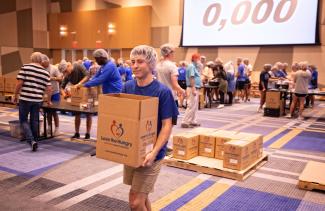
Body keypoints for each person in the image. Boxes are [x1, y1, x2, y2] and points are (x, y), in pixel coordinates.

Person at [122, 45, 179, 211]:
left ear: (151, 64)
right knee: (142, 195)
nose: (135, 65)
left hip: (153, 153)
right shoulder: (127, 87)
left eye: (140, 61)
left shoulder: (162, 92)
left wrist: (153, 152)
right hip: (133, 151)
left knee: (135, 201)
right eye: (132, 62)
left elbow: (167, 125)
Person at [13, 52, 52, 151]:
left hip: (25, 99)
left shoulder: (25, 67)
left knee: (24, 120)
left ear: (32, 59)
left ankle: (31, 141)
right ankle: (35, 141)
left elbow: (19, 83)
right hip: (38, 100)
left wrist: (15, 95)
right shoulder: (45, 72)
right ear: (41, 60)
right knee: (34, 121)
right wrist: (48, 100)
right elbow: (49, 89)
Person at [60, 60, 92, 139]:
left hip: (87, 92)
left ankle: (88, 133)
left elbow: (87, 76)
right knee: (77, 114)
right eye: (64, 73)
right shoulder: (67, 75)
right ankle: (77, 133)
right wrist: (64, 95)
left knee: (88, 113)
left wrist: (79, 84)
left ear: (68, 66)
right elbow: (61, 87)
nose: (66, 74)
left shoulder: (78, 65)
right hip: (77, 95)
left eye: (66, 71)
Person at [156, 43, 185, 109]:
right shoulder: (172, 66)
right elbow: (175, 85)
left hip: (159, 95)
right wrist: (183, 91)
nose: (174, 54)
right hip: (170, 96)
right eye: (173, 52)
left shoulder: (158, 65)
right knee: (172, 118)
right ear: (169, 53)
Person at [41, 54, 63, 136]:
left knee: (54, 112)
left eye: (44, 63)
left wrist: (52, 78)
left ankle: (57, 129)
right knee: (47, 112)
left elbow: (60, 78)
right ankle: (49, 128)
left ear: (48, 61)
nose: (43, 65)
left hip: (55, 93)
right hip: (45, 93)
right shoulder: (41, 68)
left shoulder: (54, 68)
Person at [181, 53, 202, 128]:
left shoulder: (195, 66)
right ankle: (185, 121)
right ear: (194, 59)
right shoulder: (191, 66)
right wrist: (193, 88)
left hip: (195, 88)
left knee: (195, 106)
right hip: (192, 88)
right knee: (191, 105)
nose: (200, 60)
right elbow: (191, 78)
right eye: (199, 59)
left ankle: (192, 121)